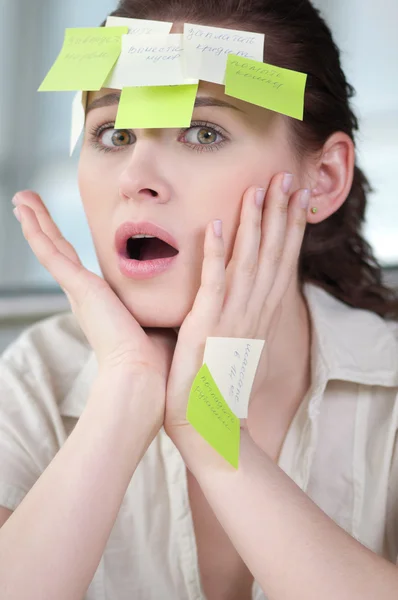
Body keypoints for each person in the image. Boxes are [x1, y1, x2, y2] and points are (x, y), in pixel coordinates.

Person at [0, 0, 398, 598]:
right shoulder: (33, 381)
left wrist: (213, 435)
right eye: (115, 133)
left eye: (203, 133)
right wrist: (127, 391)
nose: (138, 176)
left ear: (325, 179)